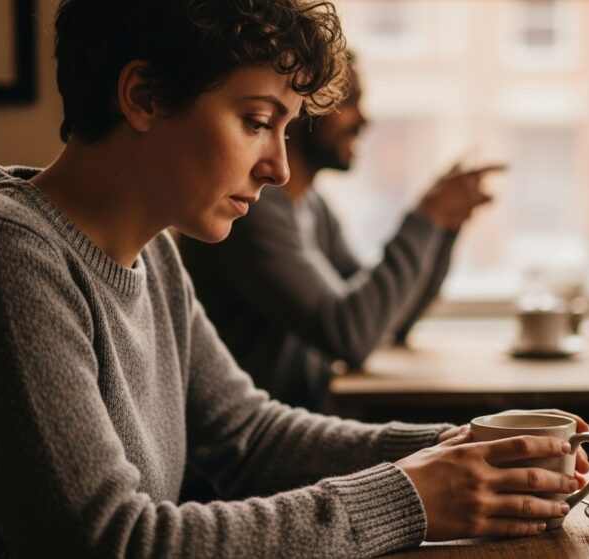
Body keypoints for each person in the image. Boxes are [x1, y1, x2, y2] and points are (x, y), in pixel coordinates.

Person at [0, 1, 589, 556]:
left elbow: (249, 435)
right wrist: (409, 496)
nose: (277, 165)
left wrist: (462, 448)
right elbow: (113, 541)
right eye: (256, 119)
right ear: (143, 96)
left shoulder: (155, 255)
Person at [179, 54, 502, 410]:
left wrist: (443, 227)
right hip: (259, 442)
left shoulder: (312, 206)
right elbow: (352, 334)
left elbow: (388, 318)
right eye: (348, 101)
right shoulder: (250, 213)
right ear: (302, 107)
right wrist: (425, 218)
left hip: (304, 419)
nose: (364, 120)